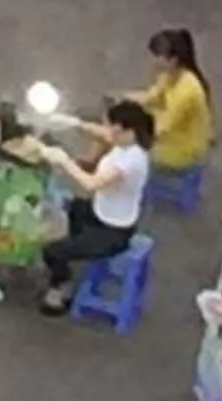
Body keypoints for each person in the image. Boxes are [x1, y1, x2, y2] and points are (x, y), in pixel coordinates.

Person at [31, 99, 153, 314]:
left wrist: (64, 161)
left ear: (126, 130)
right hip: (99, 212)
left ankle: (62, 288)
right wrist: (74, 123)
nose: (108, 132)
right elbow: (102, 134)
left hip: (113, 231)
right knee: (68, 208)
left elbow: (91, 183)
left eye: (112, 127)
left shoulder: (130, 162)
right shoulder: (127, 141)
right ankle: (76, 249)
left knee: (52, 251)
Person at [138, 29, 214, 175]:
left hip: (181, 150)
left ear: (173, 59)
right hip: (170, 131)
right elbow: (152, 97)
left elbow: (161, 130)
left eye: (158, 57)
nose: (154, 61)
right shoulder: (169, 74)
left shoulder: (187, 92)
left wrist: (134, 128)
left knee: (123, 145)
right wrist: (122, 98)